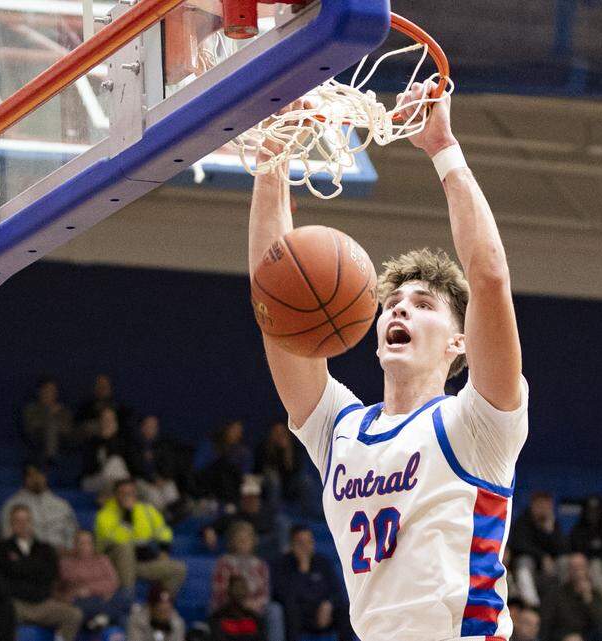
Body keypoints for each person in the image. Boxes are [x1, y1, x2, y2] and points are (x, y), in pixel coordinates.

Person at [249, 82, 529, 641]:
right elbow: (273, 300)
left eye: (423, 305)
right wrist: (272, 161)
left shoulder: (478, 424)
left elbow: (490, 277)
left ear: (459, 343)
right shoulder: (340, 431)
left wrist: (443, 149)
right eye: (393, 304)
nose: (399, 309)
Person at [0, 505, 83, 641]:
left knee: (73, 614)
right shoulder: (3, 548)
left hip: (43, 603)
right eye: (18, 521)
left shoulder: (45, 548)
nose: (23, 525)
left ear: (31, 523)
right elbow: (5, 575)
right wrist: (34, 567)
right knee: (3, 611)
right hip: (17, 603)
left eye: (26, 520)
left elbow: (49, 574)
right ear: (11, 525)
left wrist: (20, 565)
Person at [95, 478, 187, 595]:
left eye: (131, 493)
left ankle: (158, 604)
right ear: (116, 495)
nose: (127, 497)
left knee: (178, 569)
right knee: (125, 549)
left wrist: (164, 550)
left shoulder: (147, 510)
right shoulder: (104, 515)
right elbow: (120, 540)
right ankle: (127, 598)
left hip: (142, 562)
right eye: (123, 493)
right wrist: (127, 514)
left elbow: (163, 531)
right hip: (115, 564)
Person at [271, 525, 350, 641]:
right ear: (292, 545)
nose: (305, 547)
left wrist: (329, 603)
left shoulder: (322, 562)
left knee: (344, 609)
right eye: (300, 543)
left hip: (323, 611)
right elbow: (283, 595)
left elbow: (337, 590)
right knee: (291, 611)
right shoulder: (282, 564)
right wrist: (303, 569)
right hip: (299, 613)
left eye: (309, 542)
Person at [210, 521, 282, 641]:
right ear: (232, 541)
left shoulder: (261, 565)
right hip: (229, 607)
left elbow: (265, 595)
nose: (244, 541)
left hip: (254, 608)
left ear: (253, 541)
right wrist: (240, 604)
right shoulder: (224, 562)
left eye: (247, 538)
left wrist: (251, 605)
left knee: (274, 610)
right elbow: (219, 591)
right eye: (240, 538)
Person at [59, 530, 132, 631]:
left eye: (88, 543)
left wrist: (90, 589)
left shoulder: (102, 559)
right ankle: (104, 618)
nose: (85, 547)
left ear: (93, 545)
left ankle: (100, 620)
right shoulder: (67, 562)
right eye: (81, 543)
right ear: (74, 545)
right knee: (117, 609)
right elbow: (73, 581)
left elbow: (113, 582)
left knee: (124, 599)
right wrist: (102, 589)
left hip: (101, 597)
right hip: (82, 602)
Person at [203, 476, 287, 560]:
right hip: (242, 550)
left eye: (254, 497)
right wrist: (209, 530)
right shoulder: (234, 515)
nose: (251, 501)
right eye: (247, 498)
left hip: (265, 547)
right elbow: (211, 526)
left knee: (281, 523)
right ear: (242, 499)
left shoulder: (268, 511)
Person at [0, 463, 78, 550]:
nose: (36, 479)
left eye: (40, 475)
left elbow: (72, 533)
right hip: (29, 555)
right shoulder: (12, 505)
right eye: (32, 475)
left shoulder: (62, 505)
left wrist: (68, 550)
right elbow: (7, 535)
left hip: (61, 554)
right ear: (25, 478)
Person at [539, 554, 602, 641]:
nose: (578, 572)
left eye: (581, 567)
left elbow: (600, 622)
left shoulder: (595, 594)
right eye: (574, 568)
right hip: (564, 635)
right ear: (569, 571)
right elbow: (547, 623)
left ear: (587, 569)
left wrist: (587, 598)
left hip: (589, 635)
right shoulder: (557, 594)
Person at [125, 415, 184, 514]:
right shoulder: (134, 445)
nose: (151, 429)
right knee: (155, 496)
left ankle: (175, 517)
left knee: (170, 489)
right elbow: (135, 467)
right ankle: (161, 517)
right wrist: (152, 479)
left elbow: (169, 464)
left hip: (160, 480)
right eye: (148, 426)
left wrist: (163, 478)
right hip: (140, 481)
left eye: (154, 427)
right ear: (142, 427)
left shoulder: (162, 445)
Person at [510, 491, 568, 582]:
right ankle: (529, 597)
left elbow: (562, 548)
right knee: (524, 562)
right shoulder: (523, 521)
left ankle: (562, 595)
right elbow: (520, 545)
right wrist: (542, 557)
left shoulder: (552, 523)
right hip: (531, 559)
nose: (543, 509)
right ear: (533, 505)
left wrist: (549, 531)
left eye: (546, 506)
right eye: (540, 505)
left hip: (550, 562)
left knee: (564, 562)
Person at [23, 376, 75, 463]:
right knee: (52, 425)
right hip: (39, 440)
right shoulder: (31, 408)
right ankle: (50, 458)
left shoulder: (62, 410)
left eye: (53, 391)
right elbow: (31, 427)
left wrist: (57, 417)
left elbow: (68, 429)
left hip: (63, 441)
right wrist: (49, 413)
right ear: (40, 391)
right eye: (47, 390)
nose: (50, 393)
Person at [80, 407, 130, 496]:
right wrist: (104, 440)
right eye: (105, 419)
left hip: (113, 481)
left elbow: (127, 465)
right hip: (92, 480)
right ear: (100, 421)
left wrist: (110, 440)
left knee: (116, 461)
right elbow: (90, 468)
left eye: (111, 419)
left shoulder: (120, 441)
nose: (108, 422)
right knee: (115, 463)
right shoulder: (91, 441)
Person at [254, 421, 305, 505]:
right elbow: (261, 468)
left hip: (288, 482)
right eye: (276, 432)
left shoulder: (293, 447)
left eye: (282, 432)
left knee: (305, 481)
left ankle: (313, 511)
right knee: (273, 478)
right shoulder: (264, 447)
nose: (279, 435)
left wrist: (286, 453)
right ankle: (275, 509)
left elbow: (295, 470)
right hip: (267, 483)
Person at [211, 576, 266, 641]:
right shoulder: (217, 618)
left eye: (242, 588)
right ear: (229, 591)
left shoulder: (255, 619)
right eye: (236, 588)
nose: (239, 592)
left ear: (246, 592)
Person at [569, 495, 602, 566]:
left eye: (596, 511)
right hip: (582, 566)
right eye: (590, 511)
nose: (593, 514)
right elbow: (575, 551)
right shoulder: (577, 530)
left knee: (596, 564)